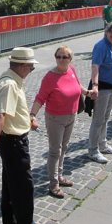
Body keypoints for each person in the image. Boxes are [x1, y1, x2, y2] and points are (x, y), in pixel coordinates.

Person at [0, 47, 40, 224]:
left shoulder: (11, 78)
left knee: (11, 185)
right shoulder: (9, 84)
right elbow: (0, 115)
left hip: (12, 140)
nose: (32, 70)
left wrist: (28, 119)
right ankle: (24, 223)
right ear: (23, 66)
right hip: (13, 143)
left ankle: (11, 223)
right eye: (31, 67)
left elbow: (11, 112)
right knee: (23, 188)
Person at [29, 46, 89, 199]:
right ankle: (53, 183)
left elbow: (78, 86)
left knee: (64, 148)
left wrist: (87, 92)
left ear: (70, 59)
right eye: (59, 56)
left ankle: (60, 176)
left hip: (71, 115)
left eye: (65, 56)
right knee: (55, 151)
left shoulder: (72, 70)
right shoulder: (49, 77)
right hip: (55, 118)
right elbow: (40, 98)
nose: (61, 59)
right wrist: (32, 115)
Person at [87, 22, 112, 164]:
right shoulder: (101, 46)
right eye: (111, 32)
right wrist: (95, 85)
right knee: (98, 120)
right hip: (102, 88)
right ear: (106, 31)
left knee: (105, 117)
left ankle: (102, 144)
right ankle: (93, 150)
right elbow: (95, 66)